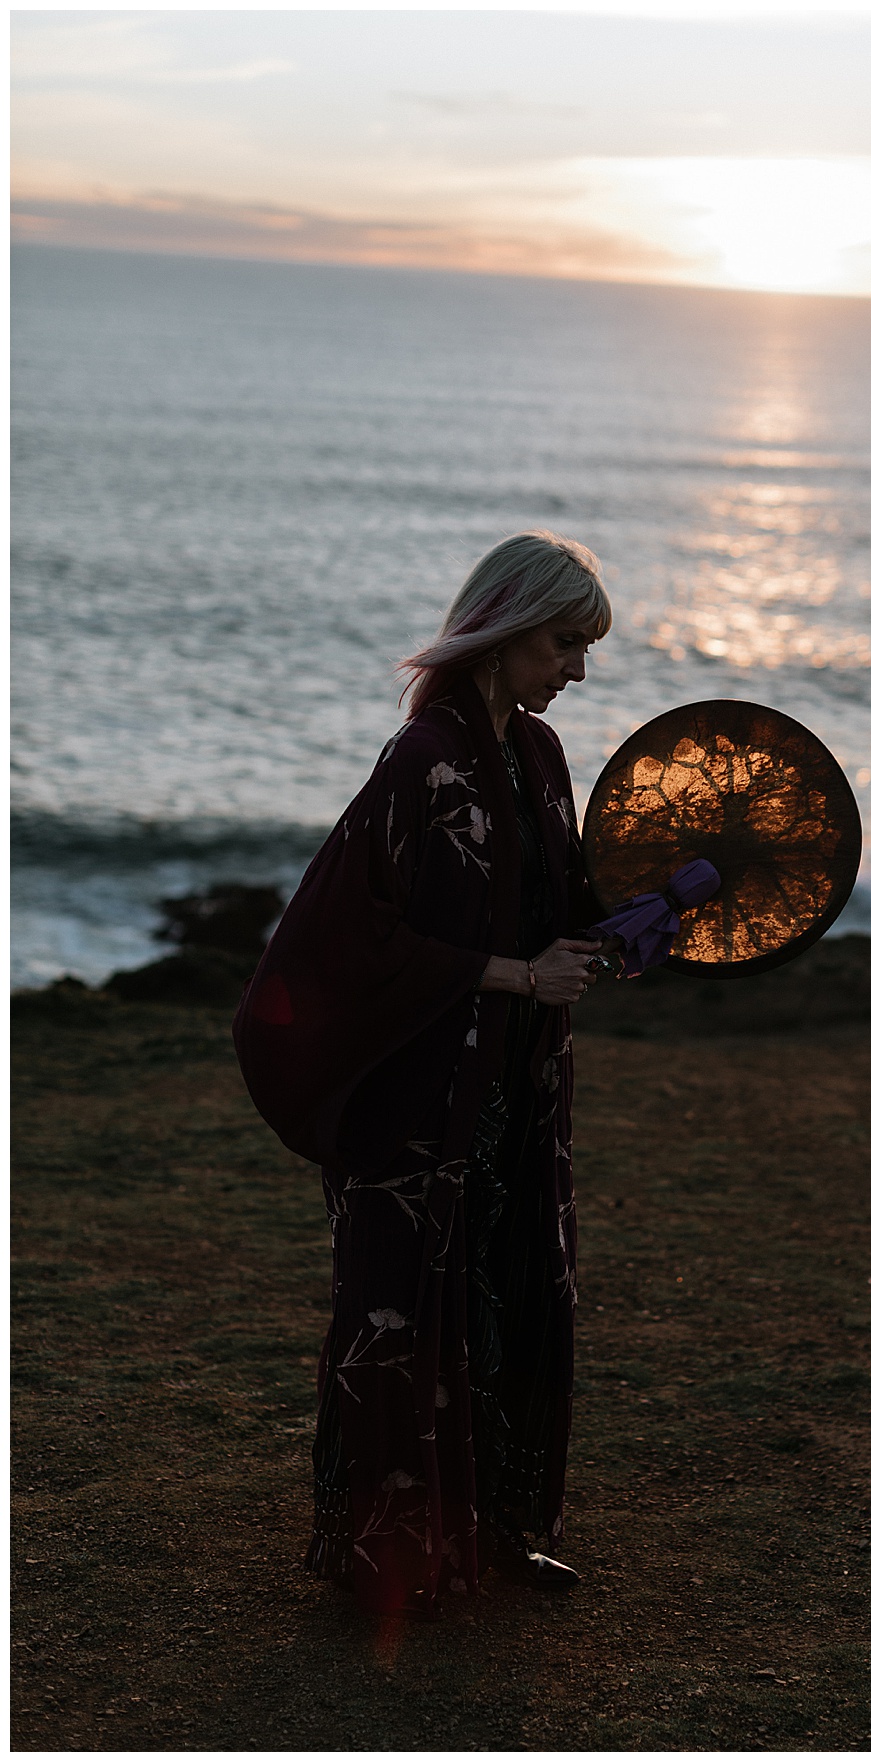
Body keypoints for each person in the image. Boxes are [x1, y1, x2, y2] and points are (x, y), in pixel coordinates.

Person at [233, 531, 611, 1616]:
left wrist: (638, 912)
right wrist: (513, 973)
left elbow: (553, 898)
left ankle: (497, 1531)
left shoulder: (539, 755)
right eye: (562, 642)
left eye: (583, 647)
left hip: (517, 1089)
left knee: (506, 1292)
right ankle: (391, 1555)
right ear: (499, 630)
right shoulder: (420, 762)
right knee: (405, 1311)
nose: (575, 670)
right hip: (419, 1096)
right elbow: (344, 941)